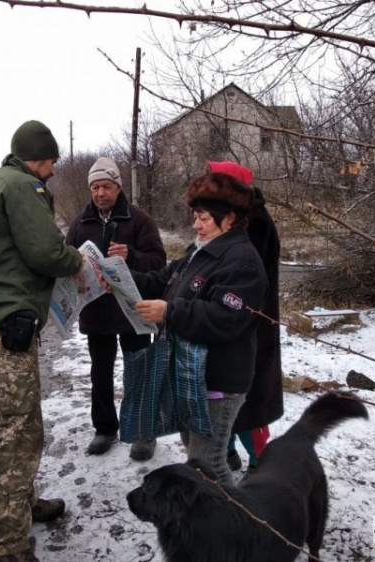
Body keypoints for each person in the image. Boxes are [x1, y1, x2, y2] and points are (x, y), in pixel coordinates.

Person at [0, 120, 84, 562]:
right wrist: (78, 262)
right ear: (40, 156)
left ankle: (24, 506)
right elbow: (46, 252)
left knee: (16, 420)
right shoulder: (22, 186)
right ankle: (6, 545)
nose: (53, 171)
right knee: (20, 433)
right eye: (52, 161)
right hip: (7, 325)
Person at [131, 172, 268, 485]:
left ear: (229, 218)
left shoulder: (241, 259)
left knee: (208, 464)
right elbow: (161, 281)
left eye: (203, 218)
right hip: (190, 374)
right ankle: (220, 522)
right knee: (198, 455)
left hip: (219, 380)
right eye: (195, 217)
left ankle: (234, 527)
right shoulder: (200, 251)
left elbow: (226, 317)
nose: (196, 225)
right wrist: (119, 280)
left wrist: (170, 311)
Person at [66, 157, 166, 460]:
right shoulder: (80, 223)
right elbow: (66, 258)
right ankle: (105, 428)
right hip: (96, 312)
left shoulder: (138, 220)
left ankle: (143, 431)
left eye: (105, 186)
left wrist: (132, 255)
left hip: (133, 310)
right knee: (100, 372)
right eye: (94, 187)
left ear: (117, 186)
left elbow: (159, 261)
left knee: (139, 372)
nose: (99, 193)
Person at [206, 161, 284, 473]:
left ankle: (263, 467)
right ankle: (227, 452)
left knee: (247, 403)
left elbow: (240, 278)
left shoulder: (257, 225)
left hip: (250, 329)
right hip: (231, 325)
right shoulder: (235, 219)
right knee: (223, 396)